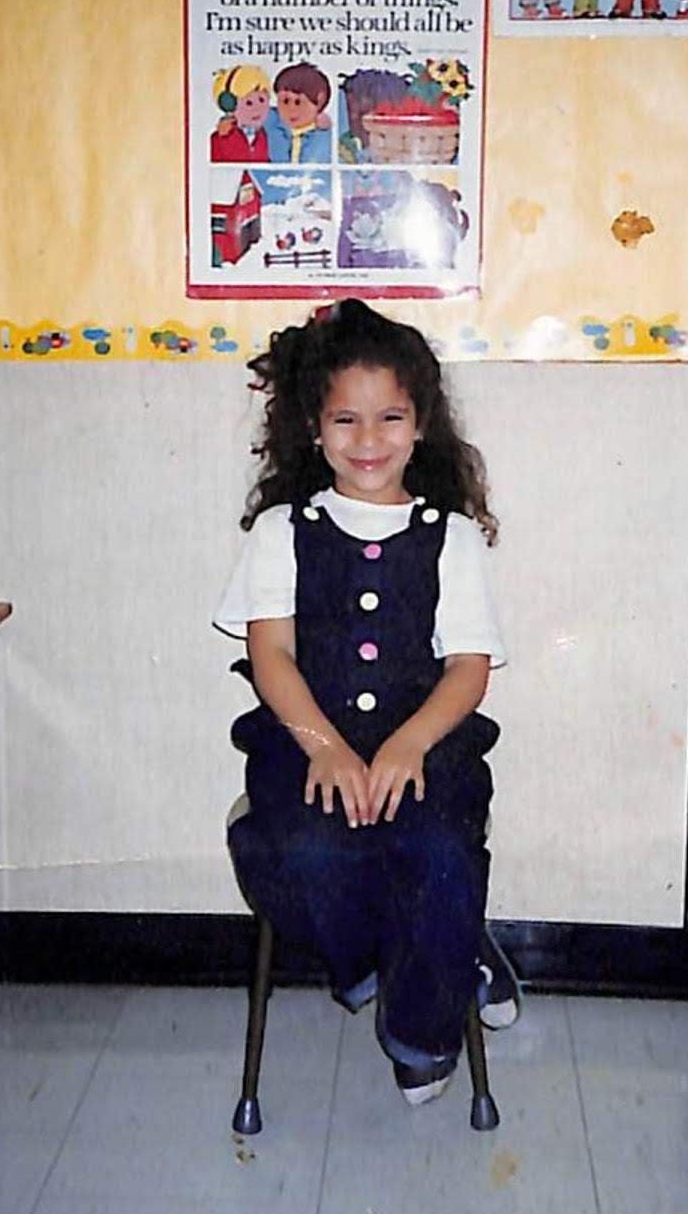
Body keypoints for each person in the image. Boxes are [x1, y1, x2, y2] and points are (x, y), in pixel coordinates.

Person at [216, 299, 519, 1106]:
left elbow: (468, 668)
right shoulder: (283, 528)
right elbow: (269, 653)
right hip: (303, 738)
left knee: (439, 851)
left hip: (426, 741)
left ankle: (421, 1030)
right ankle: (410, 956)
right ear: (314, 429)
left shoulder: (448, 534)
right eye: (345, 419)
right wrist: (323, 746)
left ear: (420, 425)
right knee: (303, 851)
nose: (368, 439)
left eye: (390, 417)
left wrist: (407, 745)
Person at [266, 63, 333, 165]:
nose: (291, 109)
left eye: (298, 102)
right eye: (285, 101)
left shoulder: (324, 135)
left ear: (320, 101)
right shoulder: (270, 121)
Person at [210, 66, 273, 163]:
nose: (257, 109)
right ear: (230, 104)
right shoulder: (221, 138)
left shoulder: (266, 135)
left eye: (262, 100)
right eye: (249, 103)